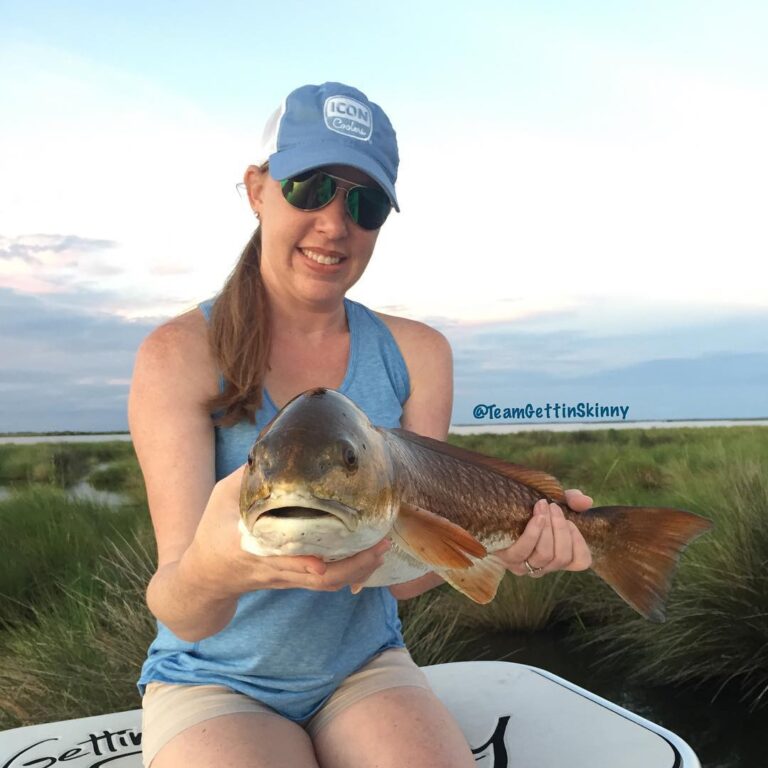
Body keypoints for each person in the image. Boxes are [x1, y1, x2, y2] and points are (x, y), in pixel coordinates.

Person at [128, 81, 593, 768]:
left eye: (364, 203)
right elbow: (180, 607)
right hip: (213, 677)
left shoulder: (418, 352)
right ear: (258, 190)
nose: (334, 223)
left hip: (365, 665)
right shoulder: (176, 356)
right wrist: (214, 570)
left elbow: (405, 578)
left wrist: (508, 547)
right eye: (309, 187)